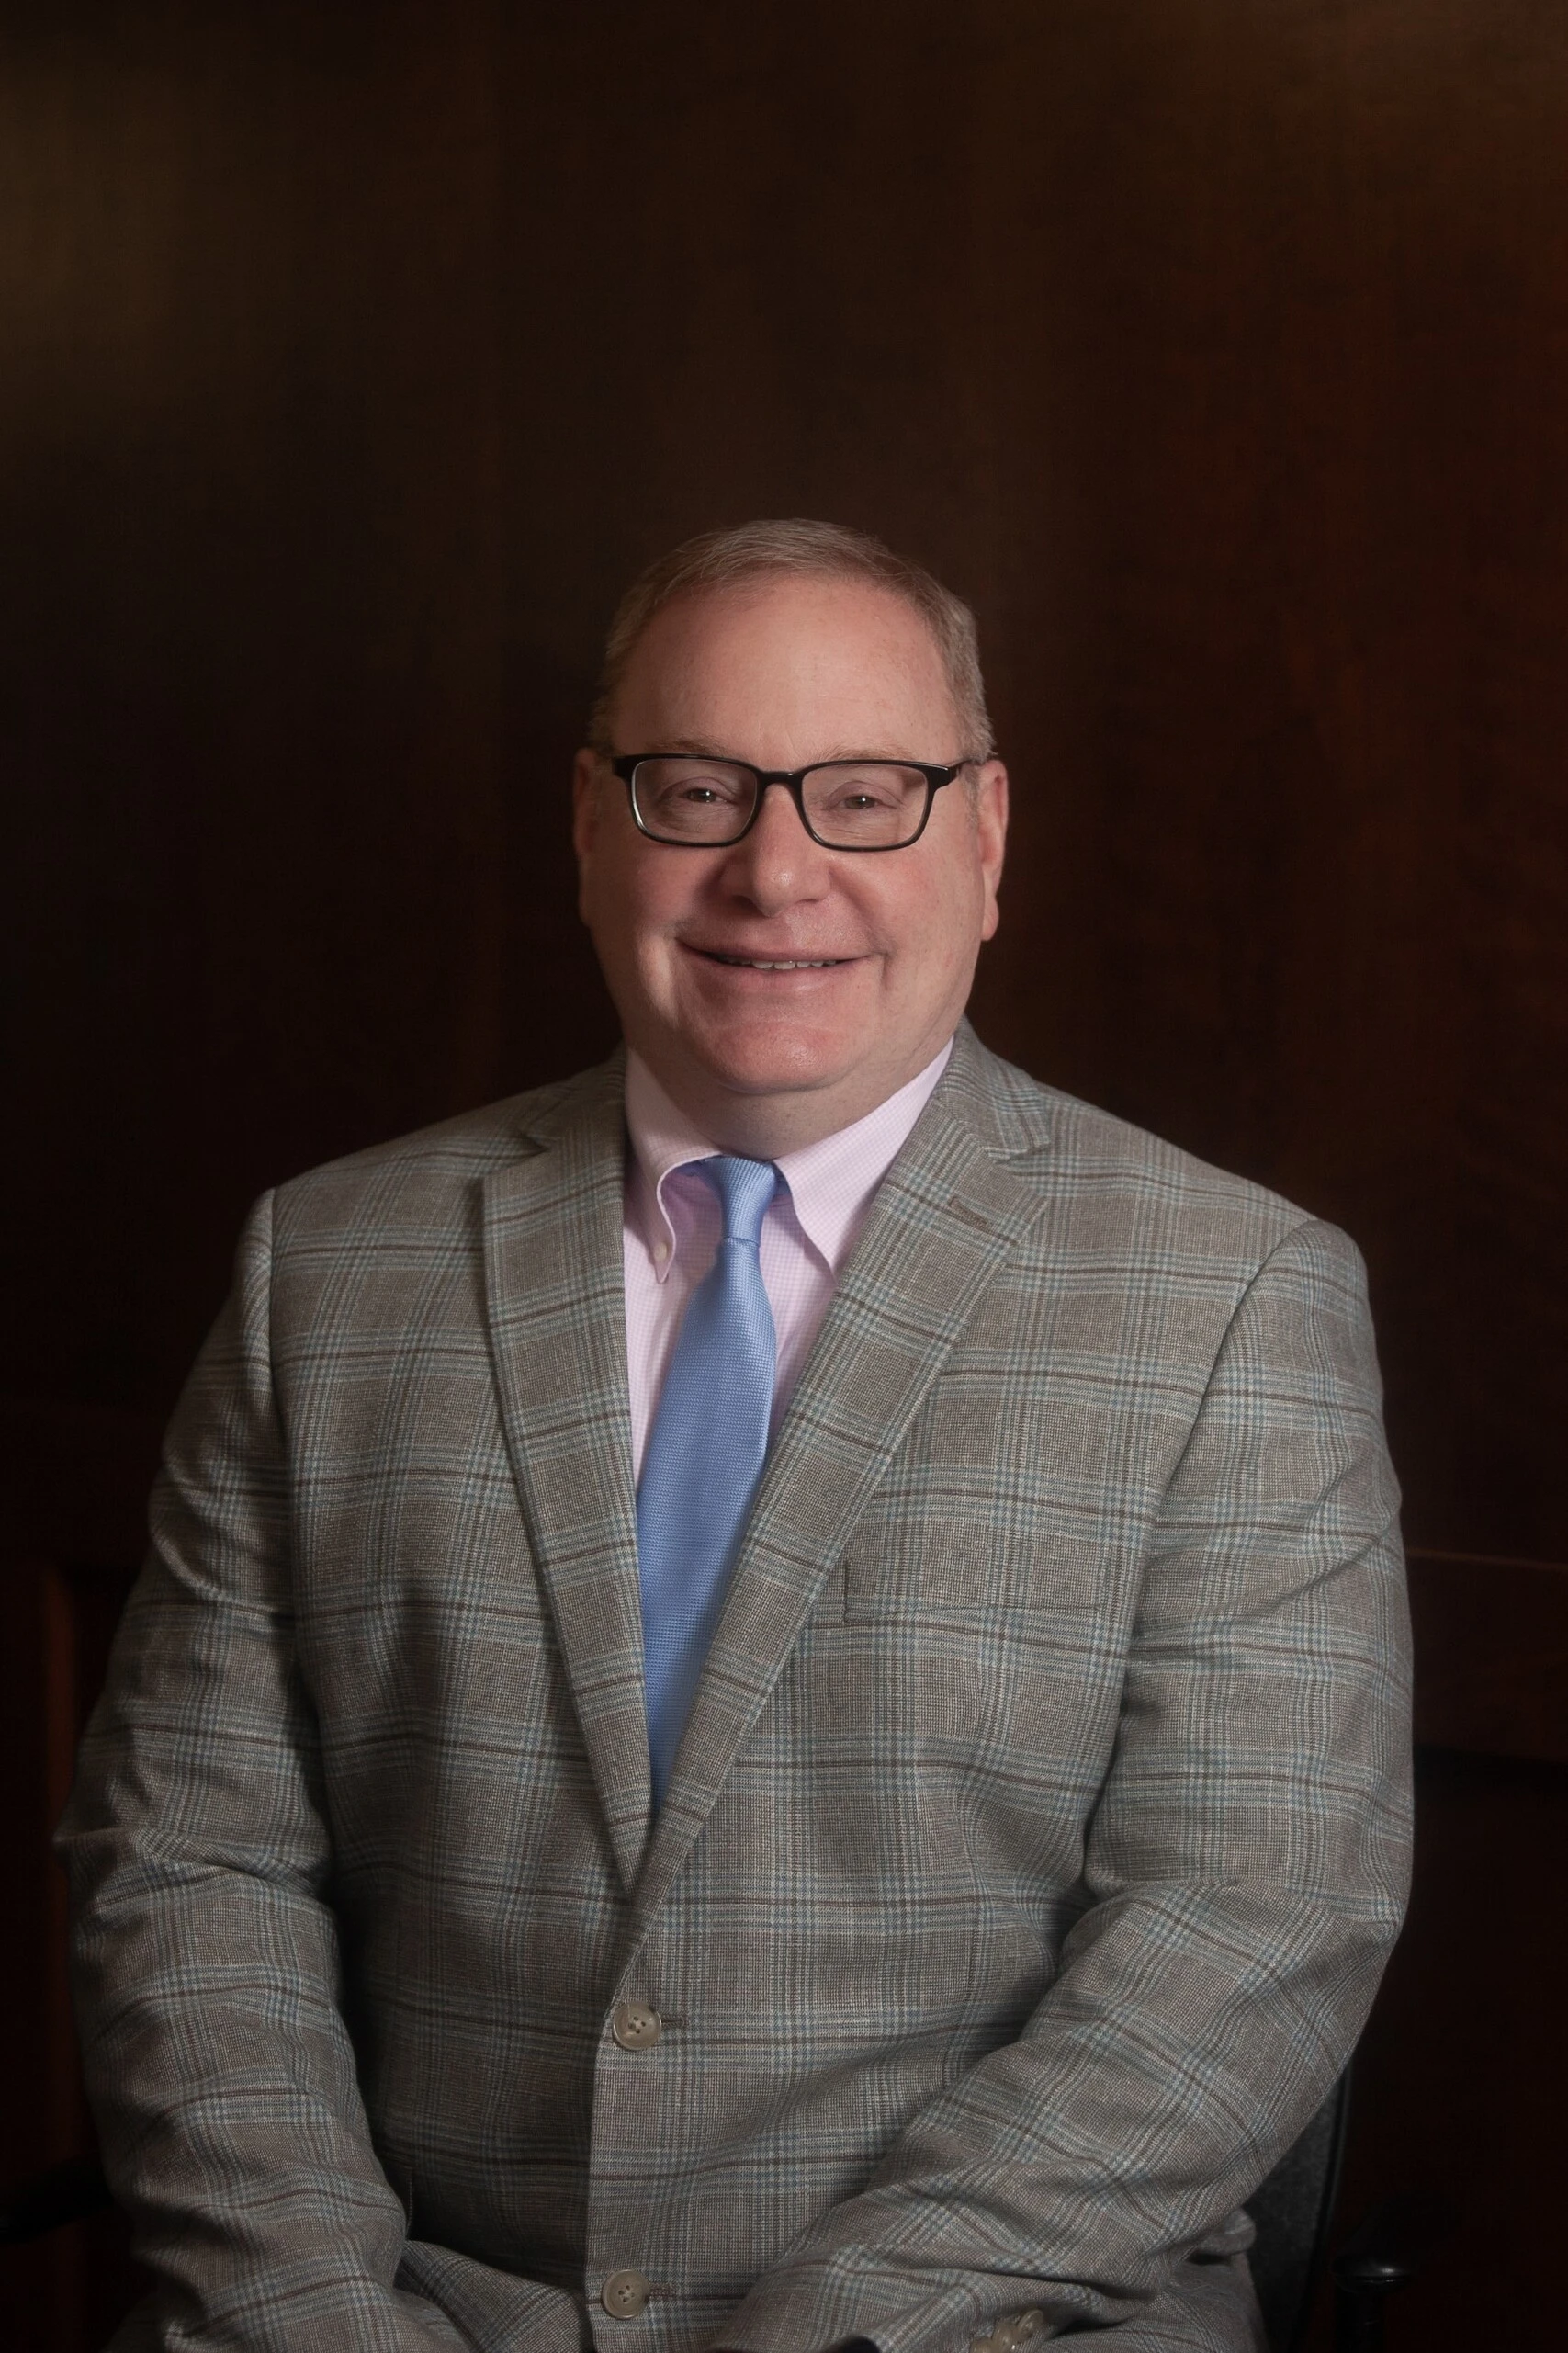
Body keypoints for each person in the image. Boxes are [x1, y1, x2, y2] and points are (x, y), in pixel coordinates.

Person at [60, 520, 1413, 2353]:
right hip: (422, 2312)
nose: (777, 871)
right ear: (592, 823)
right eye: (698, 788)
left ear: (987, 838)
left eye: (866, 792)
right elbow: (192, 1862)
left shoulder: (1232, 1294)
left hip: (988, 2324)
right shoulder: (332, 1262)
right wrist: (316, 2314)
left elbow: (1248, 1922)